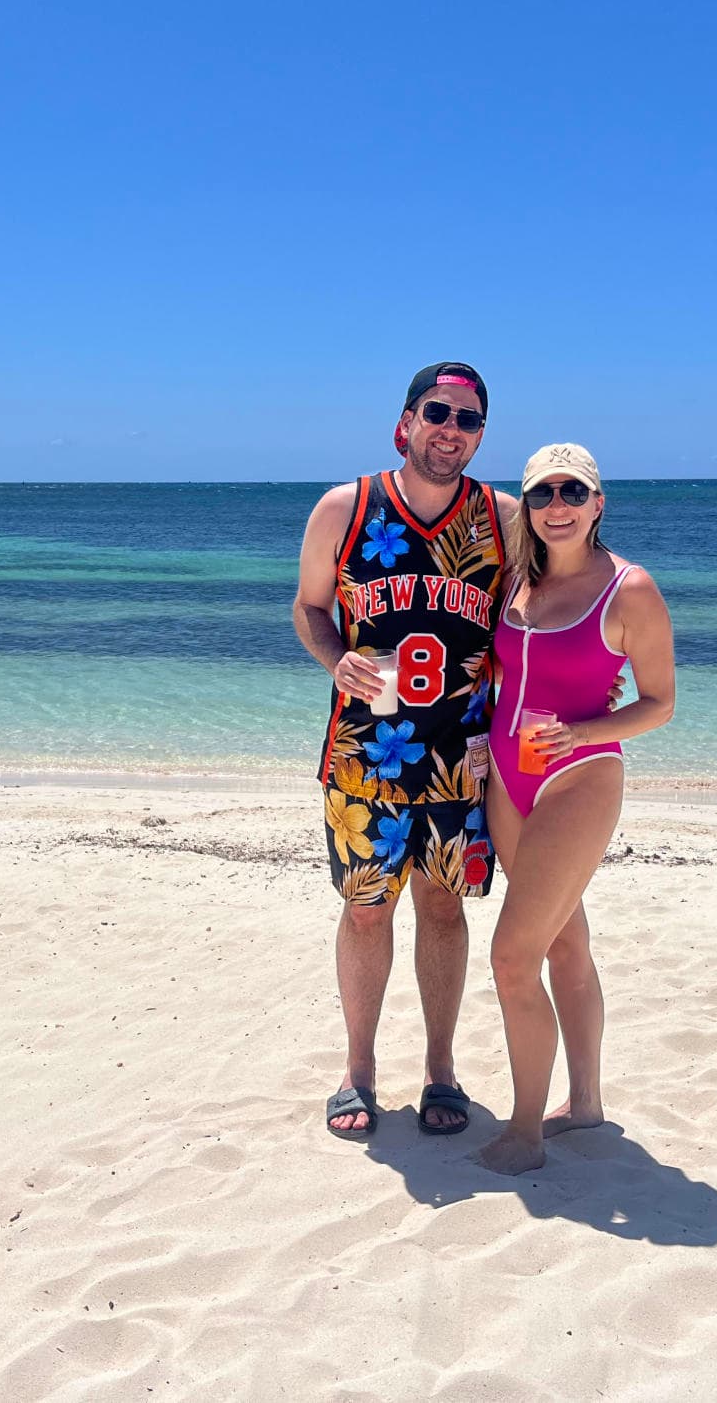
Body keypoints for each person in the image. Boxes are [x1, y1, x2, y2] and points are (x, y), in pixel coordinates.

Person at [293, 361, 521, 1139]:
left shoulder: (505, 519)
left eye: (467, 420)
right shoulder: (345, 509)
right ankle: (358, 1071)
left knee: (444, 907)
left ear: (480, 435)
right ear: (405, 422)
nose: (450, 430)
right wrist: (335, 660)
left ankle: (441, 1070)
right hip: (366, 753)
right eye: (437, 412)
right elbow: (309, 608)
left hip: (463, 755)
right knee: (364, 912)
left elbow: (546, 614)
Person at [476, 443, 675, 1174]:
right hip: (506, 777)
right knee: (563, 942)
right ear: (526, 505)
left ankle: (524, 1133)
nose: (556, 505)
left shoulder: (629, 590)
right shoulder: (513, 578)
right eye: (541, 494)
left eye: (573, 491)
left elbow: (661, 704)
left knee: (511, 955)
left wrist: (584, 731)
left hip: (578, 778)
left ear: (599, 502)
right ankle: (584, 1104)